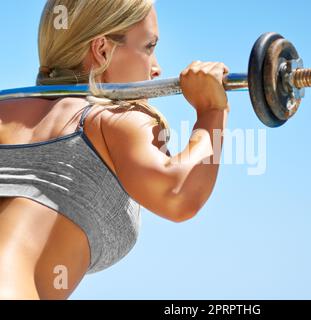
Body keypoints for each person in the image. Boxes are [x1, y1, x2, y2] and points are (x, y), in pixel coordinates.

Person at [0, 0, 230, 300]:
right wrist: (212, 110)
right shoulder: (111, 118)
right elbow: (179, 194)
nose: (157, 68)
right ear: (102, 50)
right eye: (149, 46)